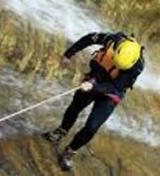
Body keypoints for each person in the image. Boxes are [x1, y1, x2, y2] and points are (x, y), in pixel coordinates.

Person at [43, 31, 145, 171]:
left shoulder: (137, 66)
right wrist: (68, 54)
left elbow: (114, 86)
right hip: (95, 78)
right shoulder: (112, 40)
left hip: (111, 92)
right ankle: (61, 131)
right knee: (75, 106)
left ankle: (70, 151)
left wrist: (93, 86)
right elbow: (88, 39)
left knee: (92, 127)